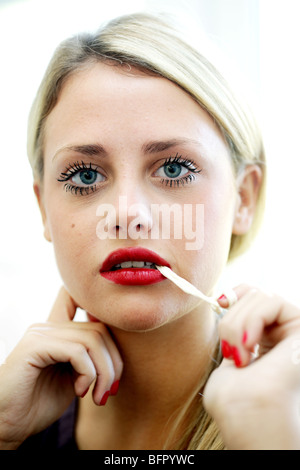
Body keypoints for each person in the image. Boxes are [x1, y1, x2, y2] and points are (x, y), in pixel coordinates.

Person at [0, 12, 299, 451]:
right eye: (85, 176)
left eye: (174, 168)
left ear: (244, 198)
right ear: (43, 207)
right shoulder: (13, 421)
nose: (128, 214)